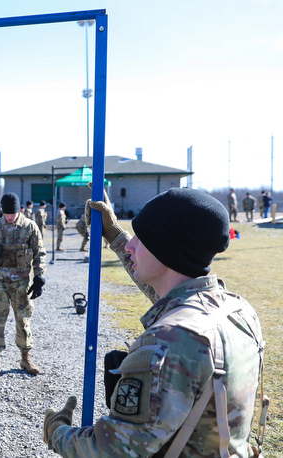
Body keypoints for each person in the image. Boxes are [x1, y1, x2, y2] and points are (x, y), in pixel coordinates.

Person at [43, 187, 265, 457]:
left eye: (142, 238)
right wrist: (114, 234)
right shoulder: (236, 309)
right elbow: (168, 297)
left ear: (167, 250)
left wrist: (56, 431)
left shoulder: (169, 341)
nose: (130, 246)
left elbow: (111, 452)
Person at [0, 193, 46, 379]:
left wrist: (39, 277)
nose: (9, 217)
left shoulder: (30, 227)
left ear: (19, 210)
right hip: (0, 279)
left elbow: (40, 253)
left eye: (12, 213)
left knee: (23, 320)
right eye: (6, 213)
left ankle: (25, 358)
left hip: (22, 280)